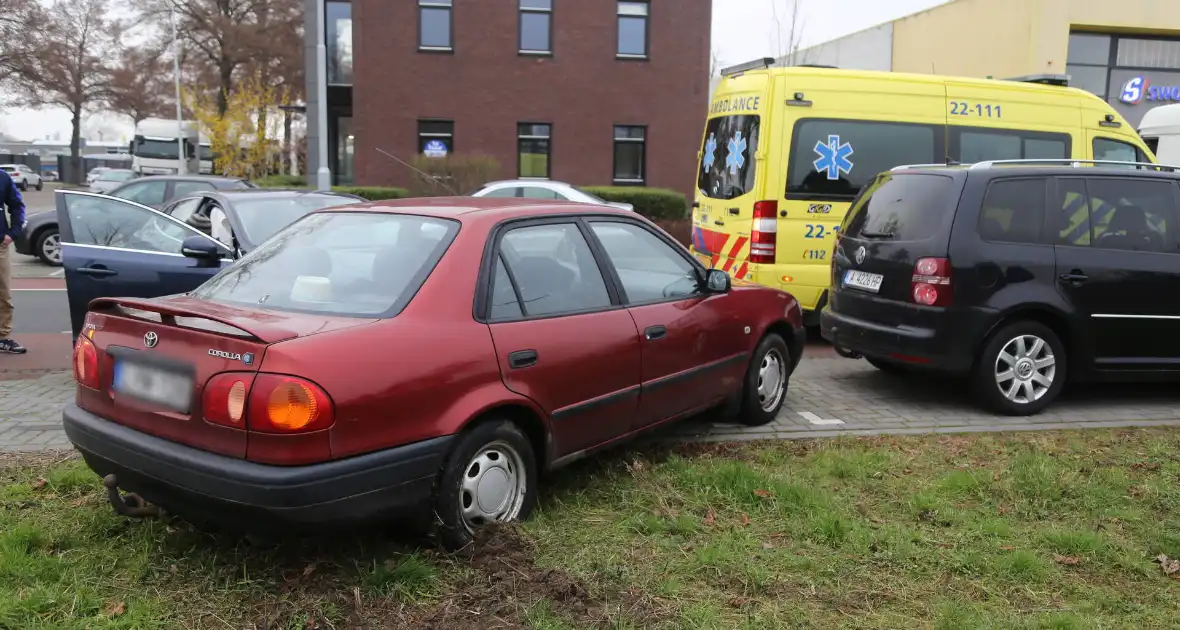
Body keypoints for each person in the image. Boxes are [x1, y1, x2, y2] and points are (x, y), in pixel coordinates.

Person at [0, 168, 26, 354]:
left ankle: (3, 337)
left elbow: (17, 204)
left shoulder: (2, 177)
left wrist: (13, 233)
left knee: (2, 292)